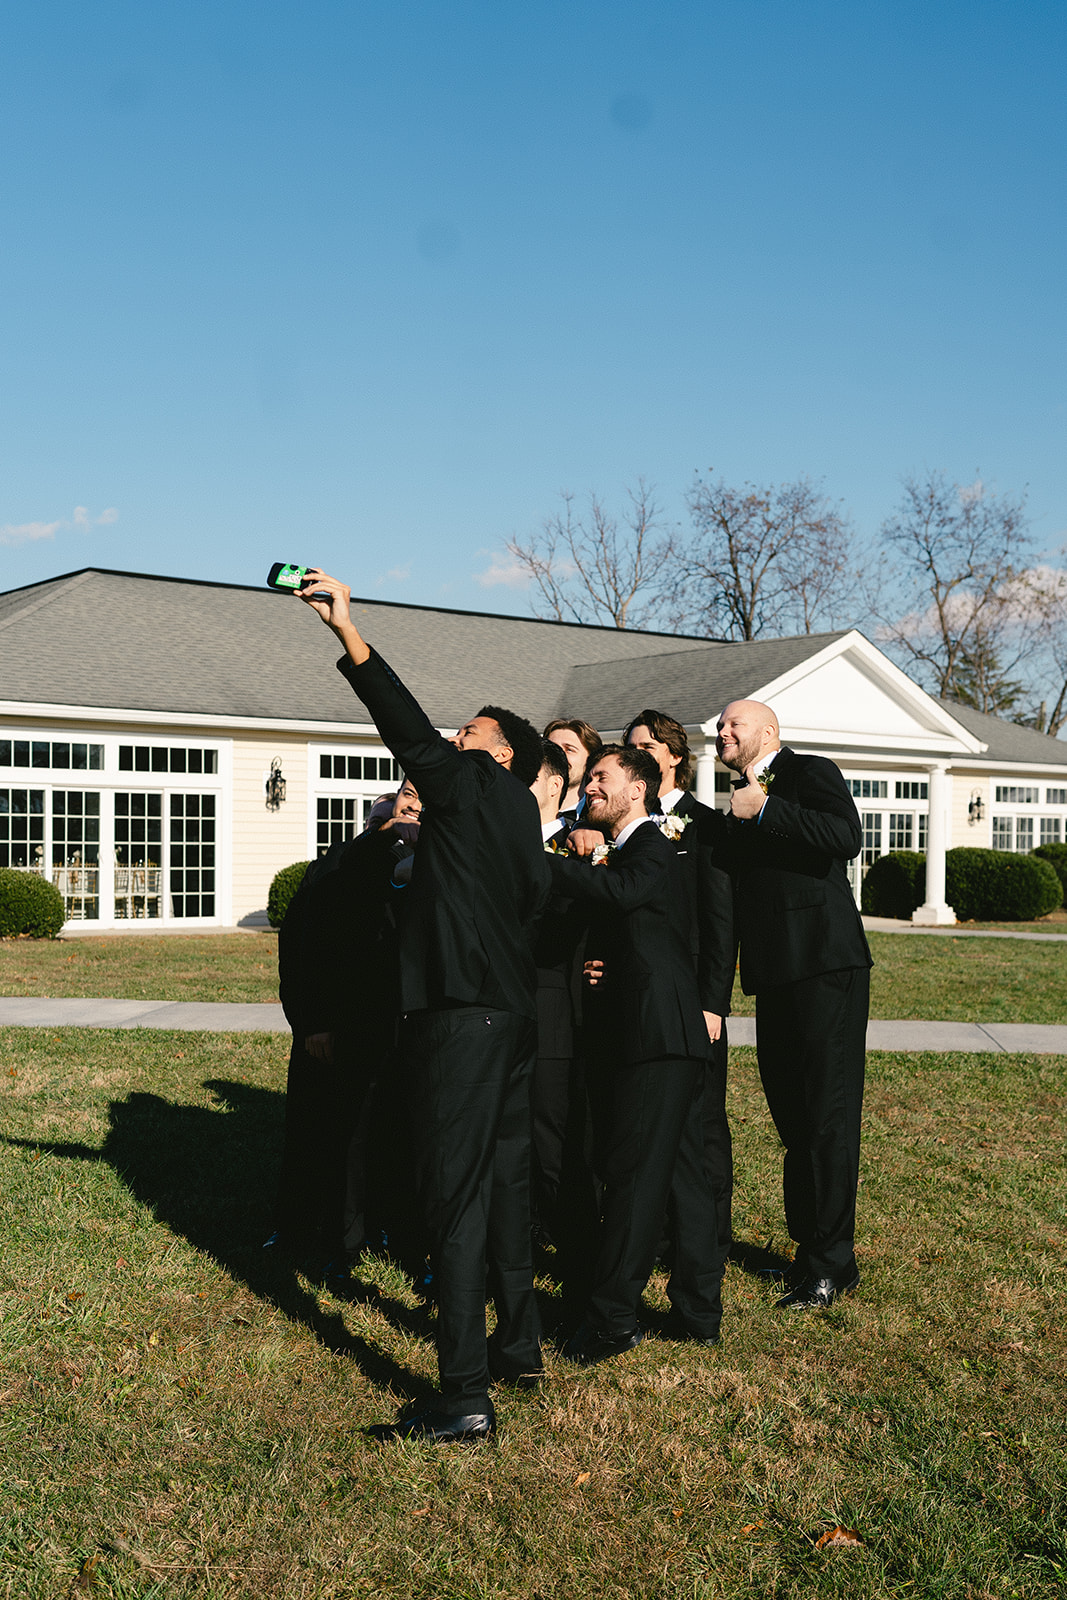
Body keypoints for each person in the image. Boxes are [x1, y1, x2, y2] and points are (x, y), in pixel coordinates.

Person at [297, 568, 549, 1442]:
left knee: (454, 1200)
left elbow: (399, 722)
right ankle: (517, 1348)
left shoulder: (474, 786)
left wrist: (348, 631)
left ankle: (464, 1395)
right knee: (505, 1191)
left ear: (501, 752)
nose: (452, 736)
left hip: (459, 1021)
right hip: (512, 1022)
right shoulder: (521, 817)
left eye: (470, 730)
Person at [546, 745, 722, 1363]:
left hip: (656, 1038)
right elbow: (635, 924)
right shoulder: (629, 850)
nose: (588, 784)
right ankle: (699, 1313)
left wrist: (533, 862)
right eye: (587, 776)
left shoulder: (653, 846)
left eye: (601, 777)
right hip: (653, 1031)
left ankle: (614, 1320)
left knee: (634, 1181)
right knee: (678, 1175)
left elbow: (623, 893)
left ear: (638, 790)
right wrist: (607, 962)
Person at [716, 699, 872, 1310]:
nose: (725, 731)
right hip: (773, 976)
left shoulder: (809, 773)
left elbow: (845, 837)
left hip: (826, 964)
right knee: (794, 1118)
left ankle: (832, 1265)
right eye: (721, 726)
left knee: (827, 1115)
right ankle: (810, 1248)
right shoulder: (734, 803)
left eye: (736, 724)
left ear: (769, 733)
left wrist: (769, 810)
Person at [622, 710, 735, 1289]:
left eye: (644, 745)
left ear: (671, 755)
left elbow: (720, 922)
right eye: (628, 746)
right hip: (639, 999)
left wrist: (713, 1002)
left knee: (701, 1125)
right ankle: (655, 1238)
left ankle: (708, 1242)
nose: (635, 752)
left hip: (694, 999)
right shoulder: (624, 825)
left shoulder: (704, 825)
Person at [543, 718, 602, 820]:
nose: (559, 755)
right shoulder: (522, 809)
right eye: (553, 748)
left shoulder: (598, 818)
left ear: (590, 761)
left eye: (569, 749)